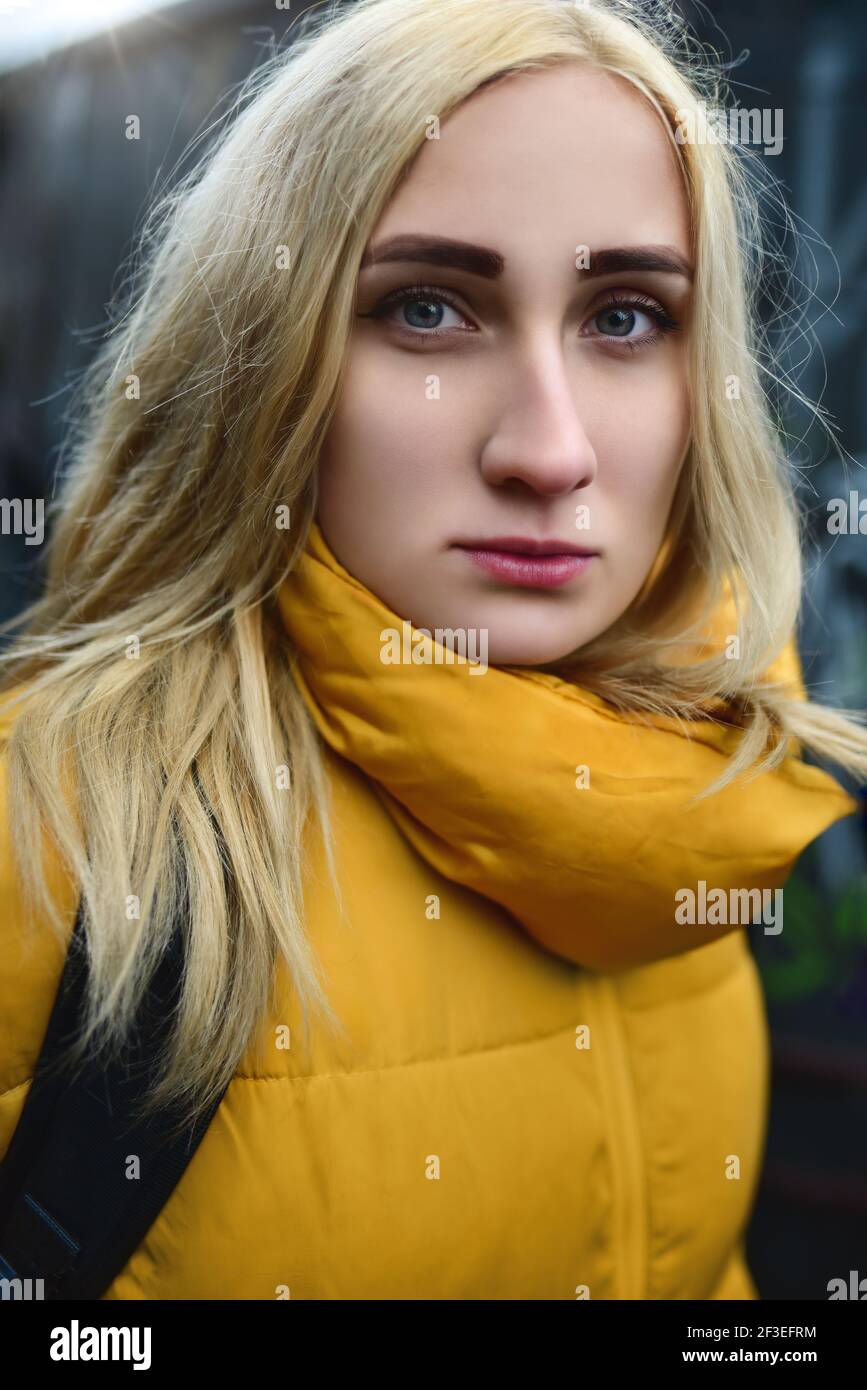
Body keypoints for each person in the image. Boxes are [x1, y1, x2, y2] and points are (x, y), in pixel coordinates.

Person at [1, 0, 865, 1300]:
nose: (550, 451)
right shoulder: (52, 836)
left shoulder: (703, 795)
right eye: (427, 311)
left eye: (626, 316)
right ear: (267, 353)